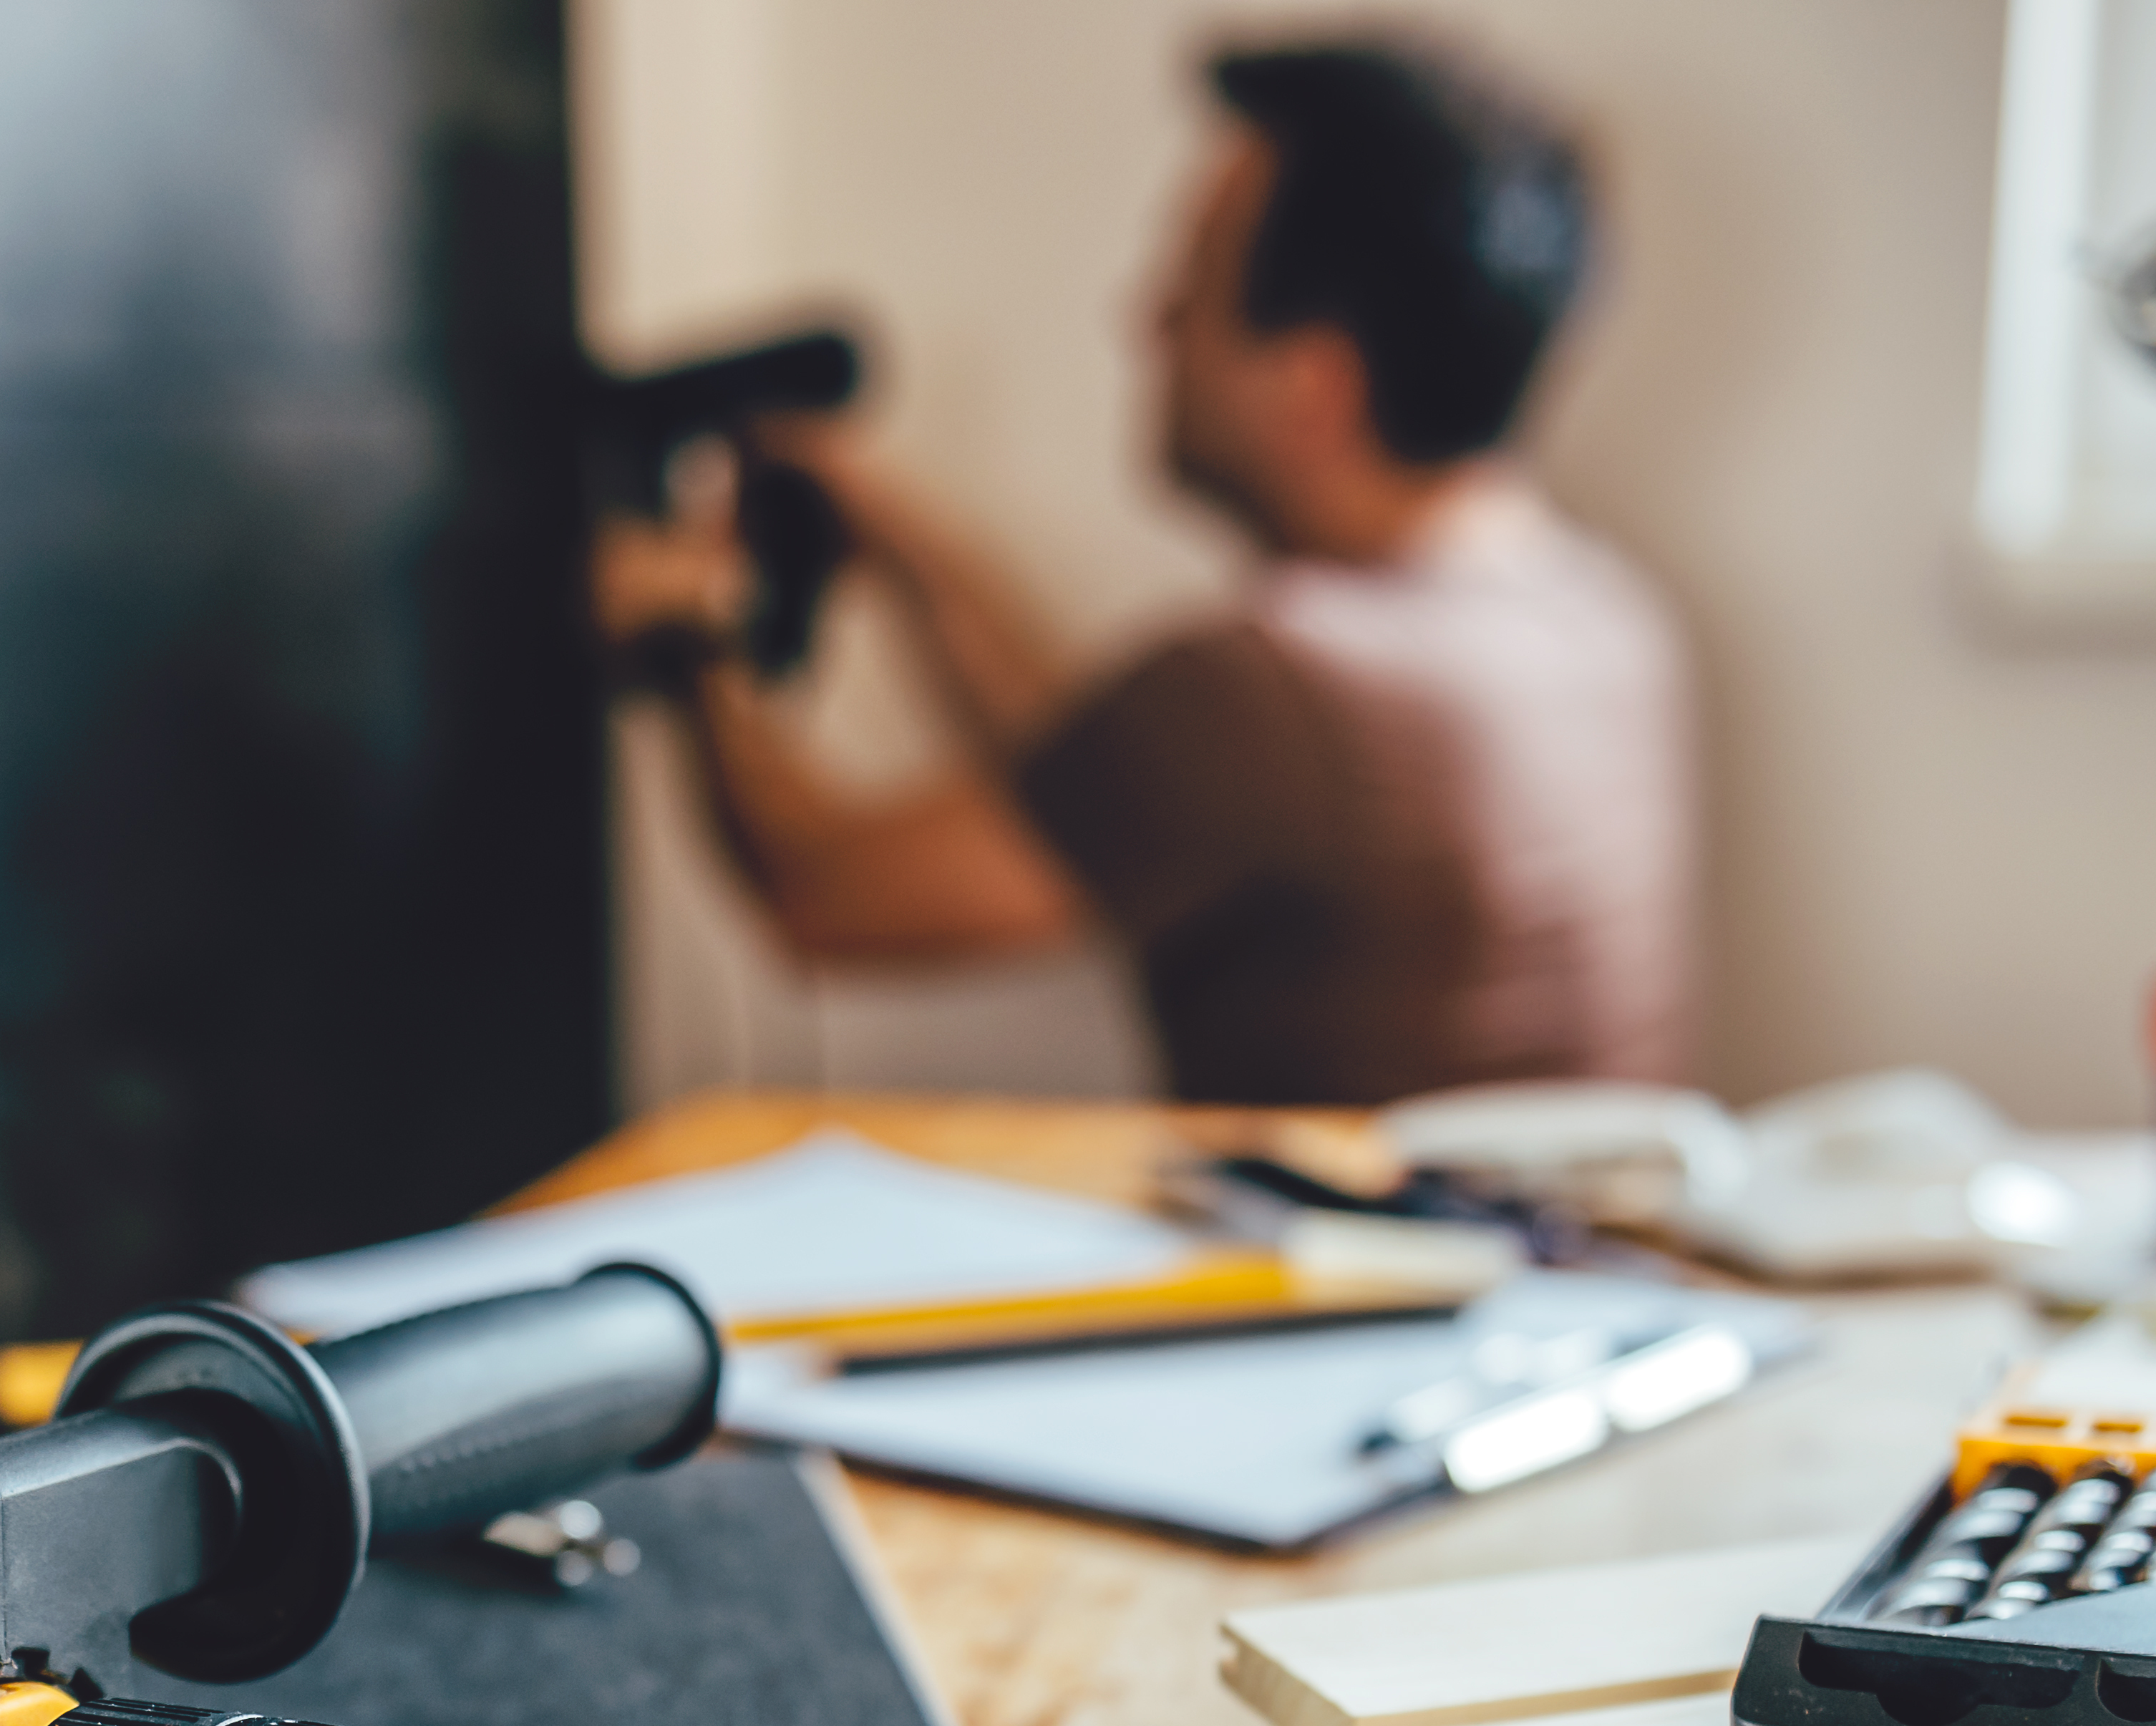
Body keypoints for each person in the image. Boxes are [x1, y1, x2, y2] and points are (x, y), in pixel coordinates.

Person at [599, 35, 1695, 1106]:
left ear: (1315, 387)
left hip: (1355, 1285)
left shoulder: (1271, 688)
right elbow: (1098, 796)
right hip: (1566, 1281)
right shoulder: (1600, 616)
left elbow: (824, 895)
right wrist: (903, 545)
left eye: (1193, 284)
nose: (1149, 319)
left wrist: (695, 631)